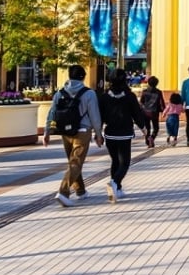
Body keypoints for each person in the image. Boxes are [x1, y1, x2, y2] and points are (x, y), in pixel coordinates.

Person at [44, 64, 103, 207]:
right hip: (82, 132)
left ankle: (81, 191)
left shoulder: (60, 92)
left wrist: (47, 131)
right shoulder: (89, 94)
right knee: (76, 162)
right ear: (83, 77)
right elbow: (94, 115)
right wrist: (98, 133)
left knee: (74, 161)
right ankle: (63, 192)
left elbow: (52, 112)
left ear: (69, 76)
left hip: (65, 132)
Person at [99, 70, 150, 202]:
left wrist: (98, 133)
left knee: (115, 161)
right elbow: (137, 114)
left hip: (110, 134)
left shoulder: (105, 97)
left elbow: (100, 115)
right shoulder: (129, 96)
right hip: (124, 134)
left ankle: (118, 189)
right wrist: (143, 128)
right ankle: (115, 183)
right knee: (125, 163)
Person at [139, 76, 166, 148]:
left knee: (147, 128)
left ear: (148, 83)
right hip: (154, 112)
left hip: (145, 112)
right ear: (157, 83)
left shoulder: (144, 92)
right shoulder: (158, 92)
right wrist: (164, 110)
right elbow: (161, 102)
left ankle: (148, 141)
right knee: (156, 128)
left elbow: (141, 102)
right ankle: (152, 137)